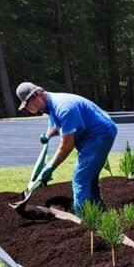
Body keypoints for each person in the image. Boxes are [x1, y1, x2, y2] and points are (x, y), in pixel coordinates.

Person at [15, 82, 117, 218]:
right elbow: (58, 123)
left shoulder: (64, 107)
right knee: (89, 176)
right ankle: (98, 210)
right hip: (89, 134)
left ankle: (82, 218)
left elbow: (67, 145)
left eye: (28, 106)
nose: (29, 110)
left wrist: (50, 168)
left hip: (99, 134)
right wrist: (48, 135)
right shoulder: (50, 105)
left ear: (36, 96)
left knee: (80, 179)